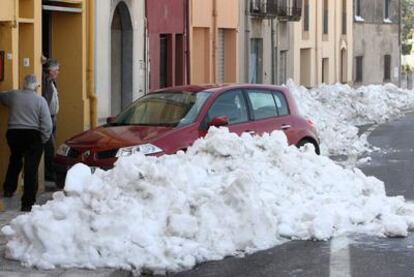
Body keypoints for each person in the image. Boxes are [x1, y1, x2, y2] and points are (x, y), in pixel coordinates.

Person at [0, 75, 52, 211]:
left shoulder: (14, 95)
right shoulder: (40, 100)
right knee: (31, 169)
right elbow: (47, 124)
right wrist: (43, 138)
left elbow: (2, 97)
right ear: (36, 86)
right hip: (32, 135)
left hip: (14, 133)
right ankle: (27, 203)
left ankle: (8, 189)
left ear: (23, 84)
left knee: (15, 160)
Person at [42, 59, 60, 182]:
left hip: (53, 117)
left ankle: (49, 172)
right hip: (48, 118)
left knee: (51, 146)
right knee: (50, 147)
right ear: (50, 71)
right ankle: (49, 173)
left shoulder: (52, 82)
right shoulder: (46, 82)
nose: (58, 72)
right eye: (57, 70)